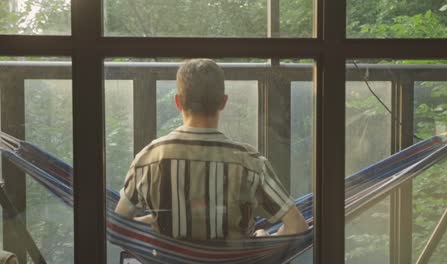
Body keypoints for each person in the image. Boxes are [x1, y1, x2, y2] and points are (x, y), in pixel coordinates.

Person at [115, 59, 307, 240]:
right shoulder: (251, 163)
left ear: (178, 102)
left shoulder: (149, 159)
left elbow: (119, 226)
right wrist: (265, 242)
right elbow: (297, 226)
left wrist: (152, 221)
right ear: (223, 102)